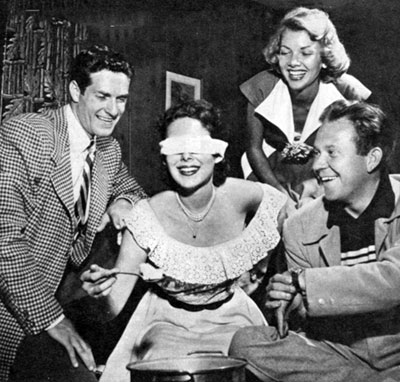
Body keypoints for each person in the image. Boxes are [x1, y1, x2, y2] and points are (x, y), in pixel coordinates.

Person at [81, 99, 287, 382]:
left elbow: (287, 212)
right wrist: (97, 296)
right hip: (166, 323)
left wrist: (263, 270)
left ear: (217, 152)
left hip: (235, 318)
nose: (186, 157)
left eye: (198, 146)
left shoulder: (244, 195)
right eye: (175, 148)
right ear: (164, 157)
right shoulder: (148, 214)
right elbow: (112, 305)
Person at [1, 45, 147, 382]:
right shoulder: (27, 134)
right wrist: (53, 319)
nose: (113, 110)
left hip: (63, 299)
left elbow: (134, 189)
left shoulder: (107, 148)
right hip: (13, 307)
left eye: (121, 99)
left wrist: (122, 201)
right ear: (75, 91)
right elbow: (3, 239)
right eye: (103, 96)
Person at [229, 100, 400, 382]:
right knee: (246, 343)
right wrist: (290, 299)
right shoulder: (299, 225)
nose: (318, 165)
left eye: (332, 153)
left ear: (372, 158)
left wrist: (305, 283)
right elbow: (306, 322)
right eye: (318, 153)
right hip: (340, 352)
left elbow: (394, 279)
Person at [240, 7, 371, 208]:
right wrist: (280, 195)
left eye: (306, 53)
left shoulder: (348, 90)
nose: (293, 62)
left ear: (324, 57)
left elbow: (360, 151)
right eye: (285, 52)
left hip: (324, 174)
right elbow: (253, 148)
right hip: (267, 174)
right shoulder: (261, 86)